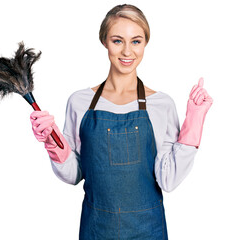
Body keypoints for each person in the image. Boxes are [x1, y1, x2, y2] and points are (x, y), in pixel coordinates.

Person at [30, 4, 213, 240]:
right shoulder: (80, 102)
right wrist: (53, 142)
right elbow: (74, 174)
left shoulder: (161, 104)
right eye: (118, 41)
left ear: (146, 43)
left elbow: (168, 179)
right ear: (104, 42)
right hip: (96, 229)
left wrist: (195, 119)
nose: (127, 51)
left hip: (148, 230)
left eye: (136, 41)